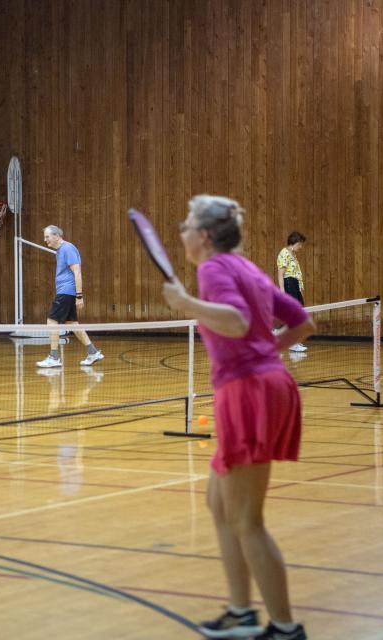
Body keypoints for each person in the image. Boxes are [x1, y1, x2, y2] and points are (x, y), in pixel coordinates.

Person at [162, 195, 314, 640]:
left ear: (205, 236)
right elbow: (303, 323)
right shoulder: (247, 267)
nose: (182, 232)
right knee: (219, 504)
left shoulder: (212, 269)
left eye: (187, 225)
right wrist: (268, 353)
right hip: (263, 385)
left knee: (248, 520)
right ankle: (241, 613)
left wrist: (185, 303)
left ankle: (285, 628)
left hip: (248, 392)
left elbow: (236, 320)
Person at [35, 225, 103, 368]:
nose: (45, 240)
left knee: (52, 321)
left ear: (57, 236)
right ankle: (93, 352)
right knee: (71, 324)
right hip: (66, 292)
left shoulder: (67, 248)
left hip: (67, 292)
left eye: (47, 237)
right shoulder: (60, 250)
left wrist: (79, 295)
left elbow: (77, 272)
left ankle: (54, 357)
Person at [276, 232, 307, 352]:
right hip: (289, 283)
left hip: (294, 284)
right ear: (295, 242)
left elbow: (296, 273)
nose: (301, 247)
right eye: (300, 244)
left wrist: (300, 288)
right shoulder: (284, 253)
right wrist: (283, 292)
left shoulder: (293, 254)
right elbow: (281, 275)